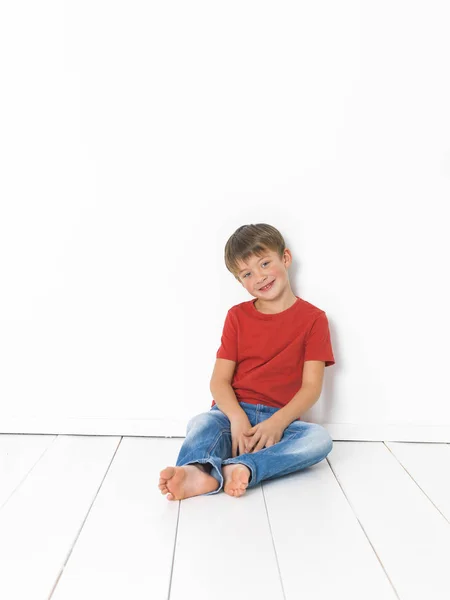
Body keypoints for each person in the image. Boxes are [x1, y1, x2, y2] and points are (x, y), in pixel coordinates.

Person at [158, 223, 335, 501]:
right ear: (240, 282)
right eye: (248, 273)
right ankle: (198, 471)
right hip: (231, 415)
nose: (260, 277)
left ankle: (242, 467)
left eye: (265, 263)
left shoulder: (314, 319)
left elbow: (311, 387)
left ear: (285, 258)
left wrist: (276, 423)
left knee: (318, 440)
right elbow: (219, 381)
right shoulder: (237, 317)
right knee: (202, 422)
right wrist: (237, 418)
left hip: (281, 421)